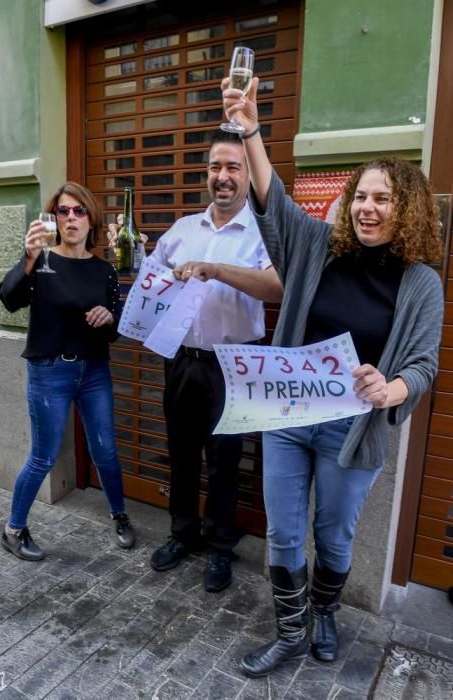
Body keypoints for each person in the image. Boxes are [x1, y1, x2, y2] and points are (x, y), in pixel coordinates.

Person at [222, 78, 444, 675]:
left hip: (354, 427)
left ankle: (324, 613)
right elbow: (274, 204)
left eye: (383, 199)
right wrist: (250, 129)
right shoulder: (319, 245)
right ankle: (292, 632)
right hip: (289, 413)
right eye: (360, 197)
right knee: (284, 532)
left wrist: (391, 388)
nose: (367, 209)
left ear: (408, 209)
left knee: (335, 536)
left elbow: (424, 364)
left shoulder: (422, 283)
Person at [110, 130, 282, 592]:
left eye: (232, 167)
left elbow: (277, 288)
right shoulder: (184, 228)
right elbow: (150, 275)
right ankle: (182, 534)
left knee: (226, 460)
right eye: (214, 167)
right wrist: (132, 251)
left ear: (248, 173)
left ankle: (220, 547)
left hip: (234, 363)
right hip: (182, 360)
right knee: (182, 454)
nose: (222, 177)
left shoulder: (264, 232)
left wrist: (216, 269)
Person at [0, 182, 135, 562]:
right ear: (54, 217)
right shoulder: (41, 262)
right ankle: (13, 530)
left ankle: (119, 515)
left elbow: (116, 329)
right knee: (43, 456)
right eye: (63, 211)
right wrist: (26, 257)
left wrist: (109, 317)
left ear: (91, 219)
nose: (71, 218)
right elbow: (8, 299)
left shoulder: (104, 270)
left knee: (105, 451)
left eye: (79, 211)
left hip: (93, 372)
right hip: (49, 373)